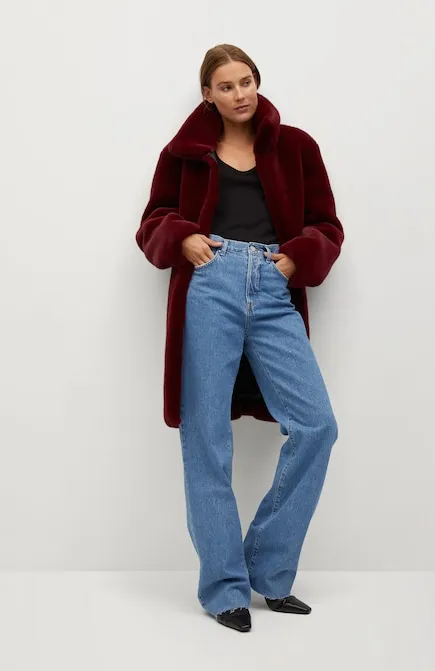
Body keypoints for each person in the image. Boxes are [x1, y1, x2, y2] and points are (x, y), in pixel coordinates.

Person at [135, 44, 344, 632]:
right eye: (225, 86)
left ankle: (268, 571)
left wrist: (295, 258)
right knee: (206, 437)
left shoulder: (297, 147)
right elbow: (151, 222)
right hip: (210, 284)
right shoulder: (182, 155)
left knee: (317, 426)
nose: (240, 94)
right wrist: (182, 236)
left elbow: (327, 225)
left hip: (274, 287)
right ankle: (224, 588)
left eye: (246, 81)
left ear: (257, 82)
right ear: (208, 94)